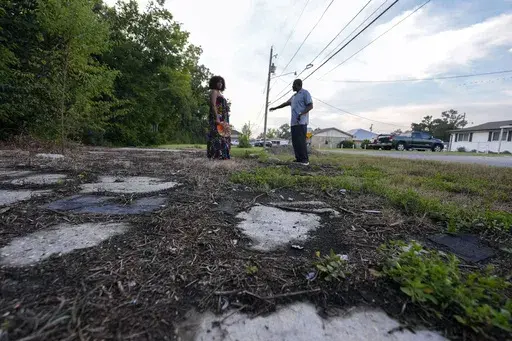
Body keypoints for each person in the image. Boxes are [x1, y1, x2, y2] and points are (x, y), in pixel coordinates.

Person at [269, 79, 313, 165]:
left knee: (301, 141)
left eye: (294, 85)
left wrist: (302, 113)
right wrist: (275, 108)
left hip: (301, 122)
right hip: (294, 123)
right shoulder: (294, 96)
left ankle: (305, 160)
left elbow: (310, 106)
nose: (292, 87)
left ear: (298, 85)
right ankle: (299, 159)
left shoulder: (305, 93)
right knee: (295, 142)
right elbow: (286, 103)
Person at [207, 76, 231, 160]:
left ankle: (223, 155)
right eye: (218, 82)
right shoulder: (214, 91)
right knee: (217, 135)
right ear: (214, 83)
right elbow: (213, 105)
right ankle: (216, 155)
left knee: (224, 135)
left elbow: (222, 105)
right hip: (217, 117)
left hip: (223, 117)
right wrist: (217, 117)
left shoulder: (220, 94)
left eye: (221, 82)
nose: (220, 84)